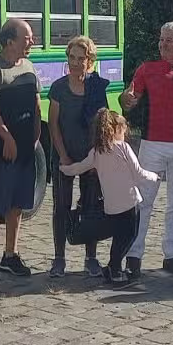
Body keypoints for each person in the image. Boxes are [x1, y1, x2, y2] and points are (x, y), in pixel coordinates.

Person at [119, 22, 173, 279]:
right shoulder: (147, 69)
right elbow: (130, 99)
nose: (162, 44)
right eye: (161, 39)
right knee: (142, 201)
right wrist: (126, 99)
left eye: (168, 40)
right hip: (153, 144)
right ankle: (133, 255)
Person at [61, 110, 159, 286]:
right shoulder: (123, 147)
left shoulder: (96, 152)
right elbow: (138, 173)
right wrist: (154, 176)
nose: (125, 133)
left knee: (118, 237)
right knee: (129, 236)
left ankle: (113, 268)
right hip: (129, 202)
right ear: (115, 130)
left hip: (111, 206)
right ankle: (115, 269)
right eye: (123, 129)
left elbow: (79, 168)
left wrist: (64, 169)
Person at [0, 18, 42, 280]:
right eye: (27, 37)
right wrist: (6, 137)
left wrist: (37, 134)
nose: (32, 41)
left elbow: (36, 102)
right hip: (1, 146)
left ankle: (10, 254)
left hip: (27, 145)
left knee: (17, 205)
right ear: (9, 40)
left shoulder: (28, 66)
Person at [48, 36, 109, 278]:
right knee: (61, 206)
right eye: (71, 58)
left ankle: (90, 257)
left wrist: (96, 157)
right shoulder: (59, 87)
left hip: (90, 155)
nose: (75, 63)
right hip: (65, 153)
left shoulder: (97, 87)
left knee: (91, 205)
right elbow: (53, 124)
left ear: (89, 61)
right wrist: (63, 156)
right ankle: (59, 258)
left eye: (80, 59)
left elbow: (104, 123)